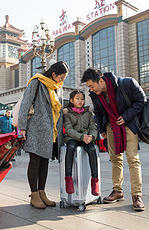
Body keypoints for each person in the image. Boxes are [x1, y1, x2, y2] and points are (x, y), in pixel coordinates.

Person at [81, 68, 146, 211]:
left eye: (92, 86)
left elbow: (141, 100)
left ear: (101, 80)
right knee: (115, 159)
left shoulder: (127, 83)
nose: (91, 89)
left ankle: (136, 195)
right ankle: (117, 190)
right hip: (111, 127)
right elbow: (97, 112)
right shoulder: (95, 94)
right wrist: (102, 130)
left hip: (129, 125)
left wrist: (126, 116)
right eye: (89, 87)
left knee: (132, 159)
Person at [18, 61, 69, 209]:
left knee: (45, 161)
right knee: (35, 161)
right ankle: (34, 194)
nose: (62, 80)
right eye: (61, 77)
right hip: (36, 127)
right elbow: (25, 104)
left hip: (51, 129)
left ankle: (42, 192)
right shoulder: (37, 82)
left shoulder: (58, 88)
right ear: (53, 74)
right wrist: (22, 127)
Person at [63, 90, 100, 196]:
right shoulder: (68, 113)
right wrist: (81, 137)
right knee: (70, 147)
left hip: (86, 138)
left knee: (92, 149)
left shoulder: (88, 113)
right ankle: (68, 179)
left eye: (82, 99)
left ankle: (95, 180)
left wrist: (91, 137)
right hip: (73, 137)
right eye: (77, 98)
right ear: (71, 100)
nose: (80, 101)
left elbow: (93, 127)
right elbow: (68, 129)